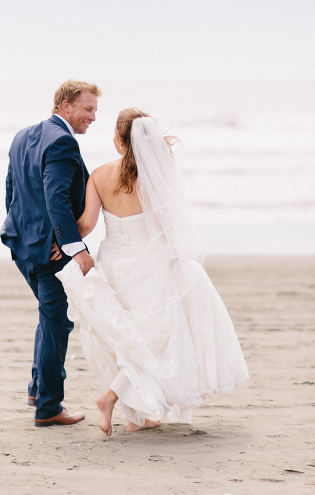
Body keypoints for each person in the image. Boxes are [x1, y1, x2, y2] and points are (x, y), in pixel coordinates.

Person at [56, 108, 250, 436]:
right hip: (149, 265)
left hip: (114, 262)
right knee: (152, 340)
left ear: (119, 141)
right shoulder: (153, 177)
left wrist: (62, 239)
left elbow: (87, 225)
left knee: (127, 337)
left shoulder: (100, 175)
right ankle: (112, 398)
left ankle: (139, 415)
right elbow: (165, 229)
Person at [0, 80, 101, 427]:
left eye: (95, 111)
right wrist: (76, 248)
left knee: (49, 316)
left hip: (21, 243)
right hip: (48, 252)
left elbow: (12, 191)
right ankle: (49, 406)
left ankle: (36, 388)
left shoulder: (22, 135)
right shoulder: (61, 141)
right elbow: (55, 196)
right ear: (64, 105)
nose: (92, 117)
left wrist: (24, 229)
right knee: (58, 322)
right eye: (87, 109)